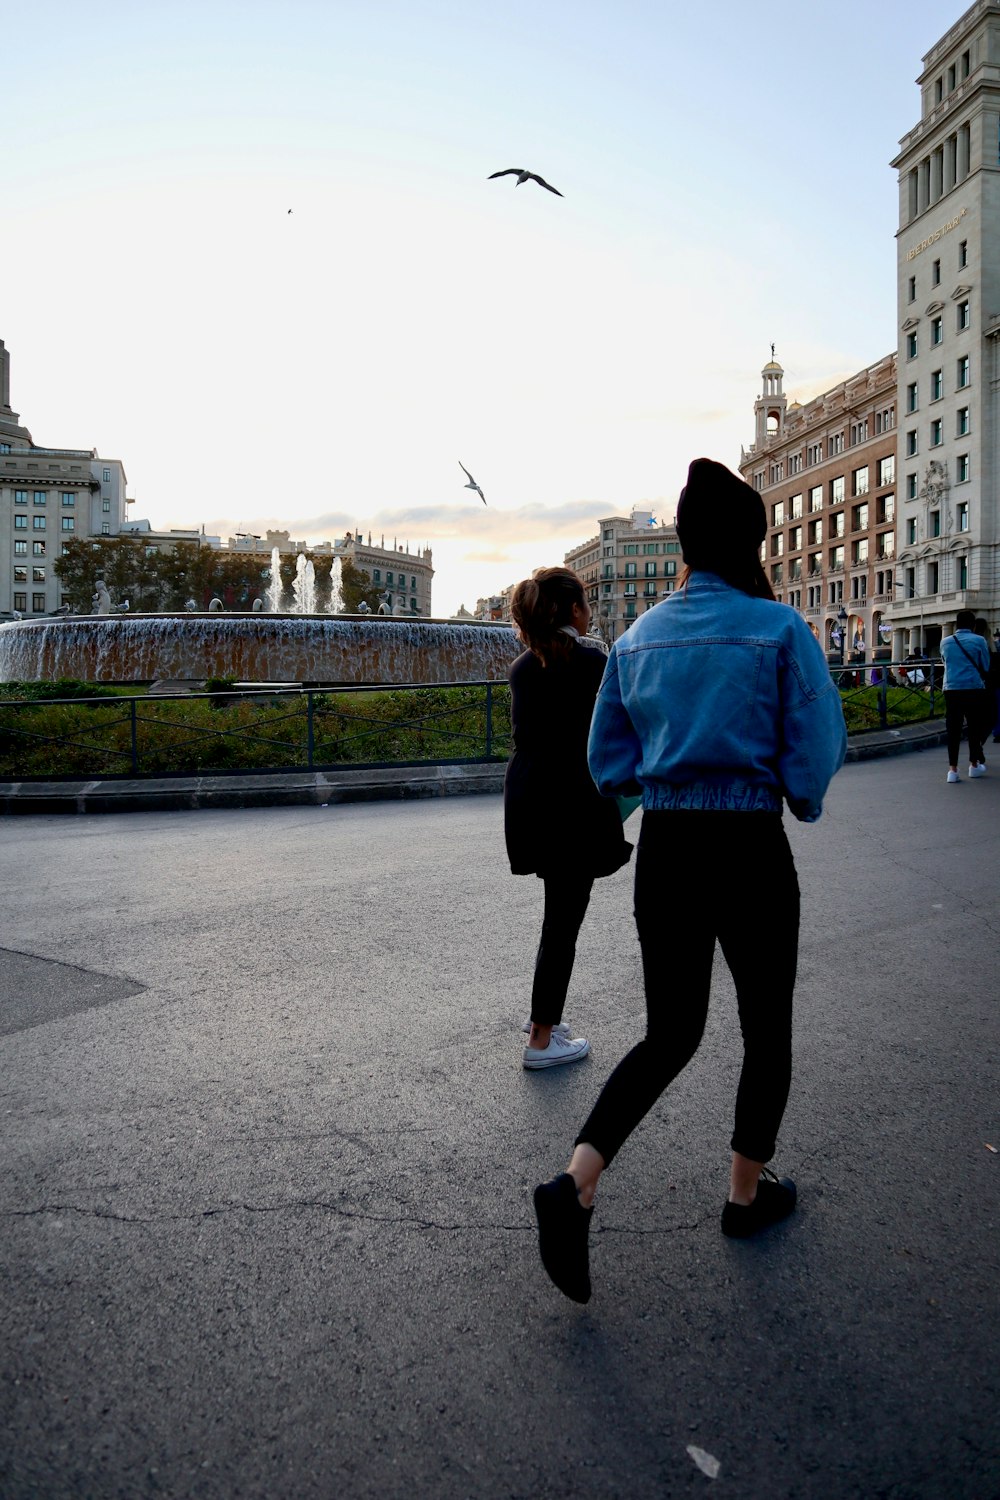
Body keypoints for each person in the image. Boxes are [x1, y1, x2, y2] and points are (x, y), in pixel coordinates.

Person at [532, 459, 846, 1303]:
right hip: (747, 844)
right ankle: (745, 1196)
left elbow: (608, 763)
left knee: (670, 1033)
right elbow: (814, 754)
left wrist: (657, 792)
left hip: (668, 849)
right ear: (752, 543)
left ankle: (577, 1181)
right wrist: (794, 799)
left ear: (679, 544)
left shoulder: (635, 642)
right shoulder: (780, 631)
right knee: (765, 1026)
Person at [504, 567, 632, 1071]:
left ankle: (545, 1021)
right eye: (585, 600)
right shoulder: (591, 662)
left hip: (530, 799)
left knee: (557, 917)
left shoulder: (521, 666)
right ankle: (540, 1037)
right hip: (573, 802)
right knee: (562, 923)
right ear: (575, 610)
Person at [941, 610, 990, 782]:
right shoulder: (979, 640)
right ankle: (973, 766)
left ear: (957, 624)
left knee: (953, 730)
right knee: (974, 728)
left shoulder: (945, 642)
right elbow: (985, 664)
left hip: (951, 689)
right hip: (973, 688)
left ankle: (952, 771)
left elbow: (945, 662)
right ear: (973, 624)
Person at [973, 618, 1000, 749]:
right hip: (990, 683)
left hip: (971, 683)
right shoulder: (990, 645)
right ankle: (980, 741)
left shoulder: (971, 643)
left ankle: (977, 742)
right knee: (992, 714)